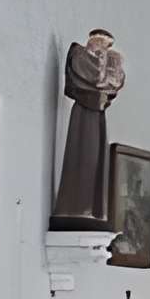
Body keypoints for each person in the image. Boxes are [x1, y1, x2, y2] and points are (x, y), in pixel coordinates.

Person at [50, 28, 124, 226]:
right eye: (102, 44)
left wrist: (110, 64)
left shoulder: (109, 61)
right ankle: (76, 205)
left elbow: (115, 81)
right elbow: (97, 78)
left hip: (97, 111)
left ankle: (92, 207)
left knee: (96, 158)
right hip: (84, 108)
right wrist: (103, 65)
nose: (104, 50)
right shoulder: (79, 54)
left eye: (107, 46)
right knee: (83, 152)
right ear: (93, 40)